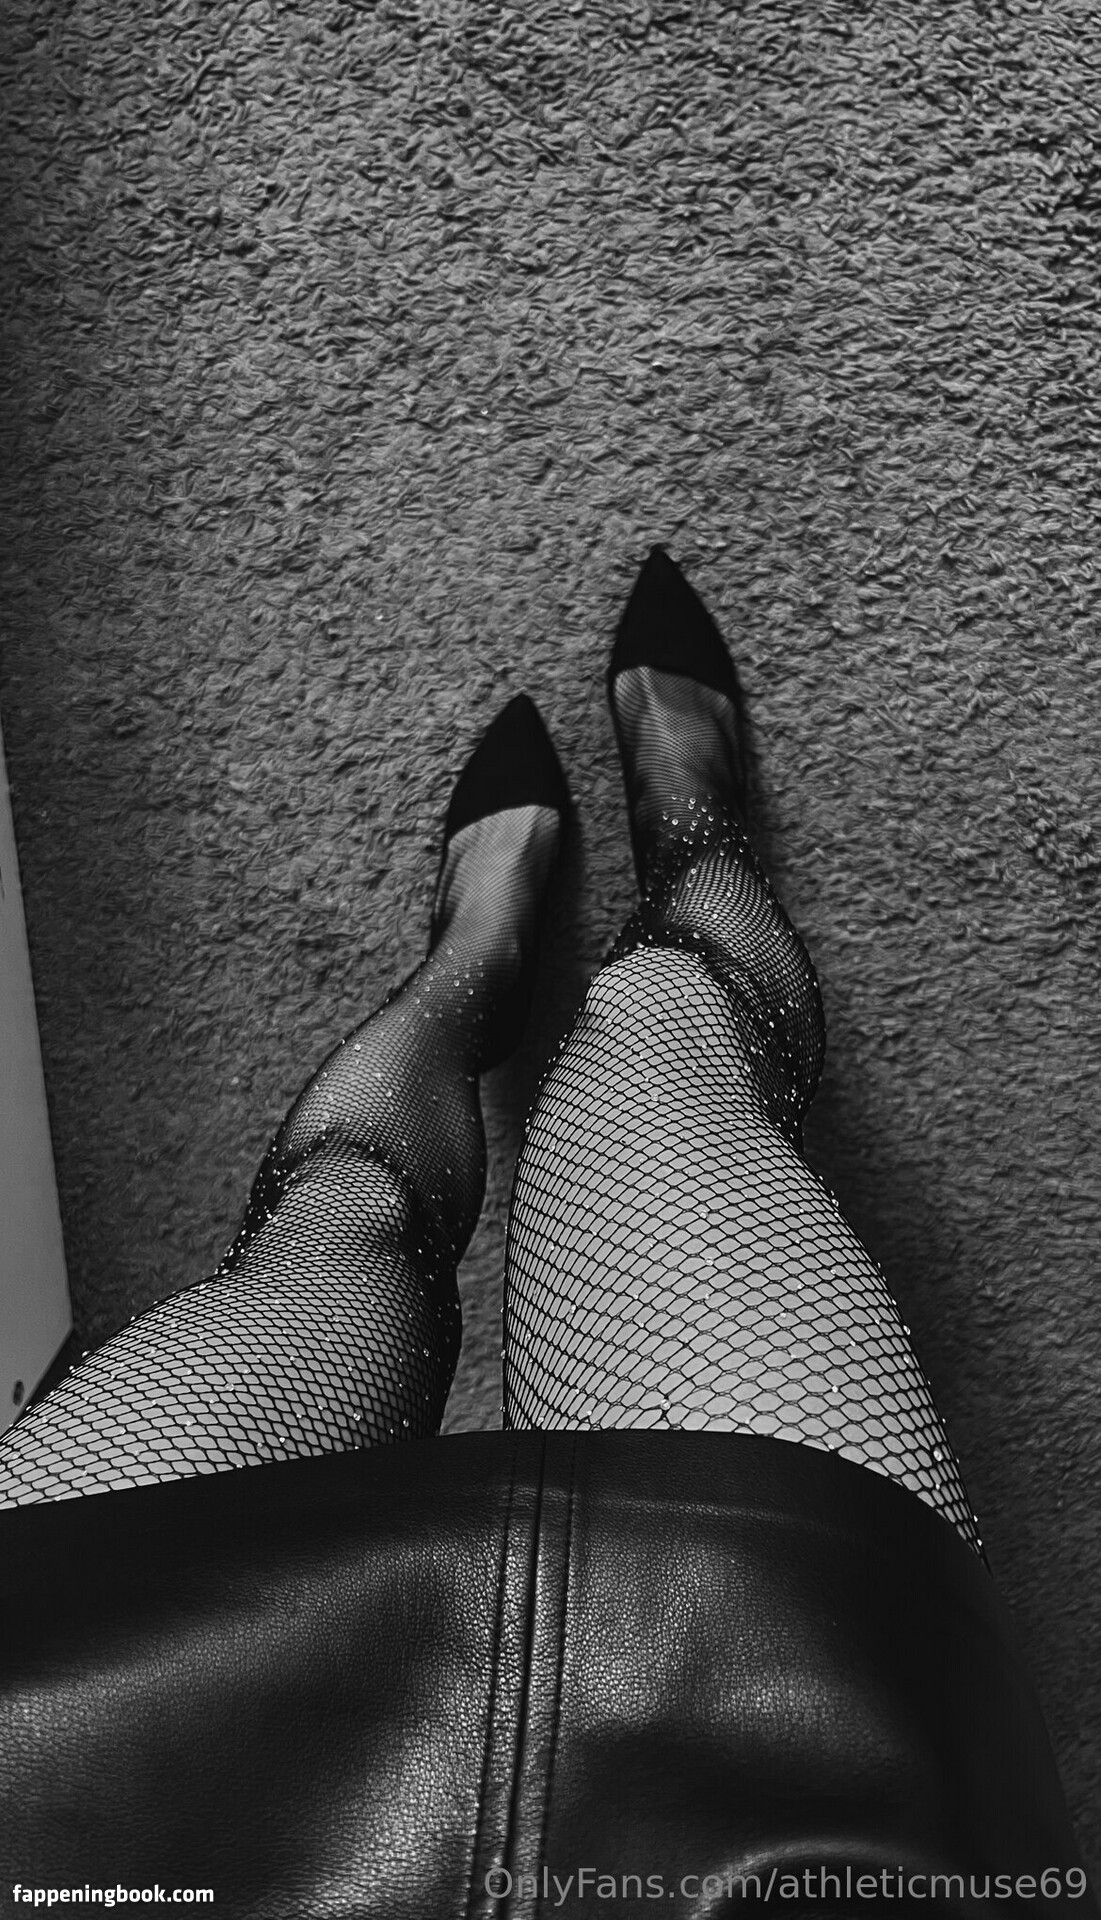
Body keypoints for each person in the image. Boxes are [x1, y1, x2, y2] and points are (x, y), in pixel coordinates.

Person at [0, 548, 1092, 1917]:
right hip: (742, 1836)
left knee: (343, 1218)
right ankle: (696, 859)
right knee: (661, 1032)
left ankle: (471, 962)